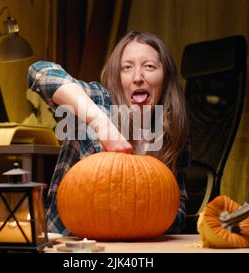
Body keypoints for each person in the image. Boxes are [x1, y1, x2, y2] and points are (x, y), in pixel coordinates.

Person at [28, 30, 190, 234]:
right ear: (117, 76)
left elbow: (178, 211)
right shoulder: (100, 100)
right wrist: (99, 122)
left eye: (149, 66)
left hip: (139, 248)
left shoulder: (173, 131)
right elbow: (40, 72)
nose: (138, 77)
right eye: (127, 68)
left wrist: (147, 206)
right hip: (70, 243)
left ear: (165, 76)